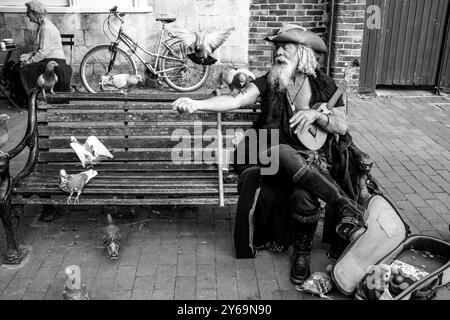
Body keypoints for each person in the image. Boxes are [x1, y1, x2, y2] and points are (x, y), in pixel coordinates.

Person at [172, 24, 368, 284]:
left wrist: (316, 115)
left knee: (305, 195)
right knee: (282, 150)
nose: (279, 52)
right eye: (277, 47)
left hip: (312, 161)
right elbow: (235, 100)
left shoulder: (324, 84)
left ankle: (301, 253)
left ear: (302, 52)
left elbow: (342, 126)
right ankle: (344, 205)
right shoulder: (270, 81)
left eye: (285, 46)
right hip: (271, 157)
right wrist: (197, 104)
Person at [8, 0, 72, 106]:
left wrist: (29, 62)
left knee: (25, 70)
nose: (27, 15)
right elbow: (39, 48)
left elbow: (43, 52)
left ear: (35, 13)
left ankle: (32, 100)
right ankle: (30, 99)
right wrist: (29, 55)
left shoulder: (46, 28)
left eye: (28, 12)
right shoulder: (42, 26)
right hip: (47, 57)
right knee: (21, 66)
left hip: (54, 60)